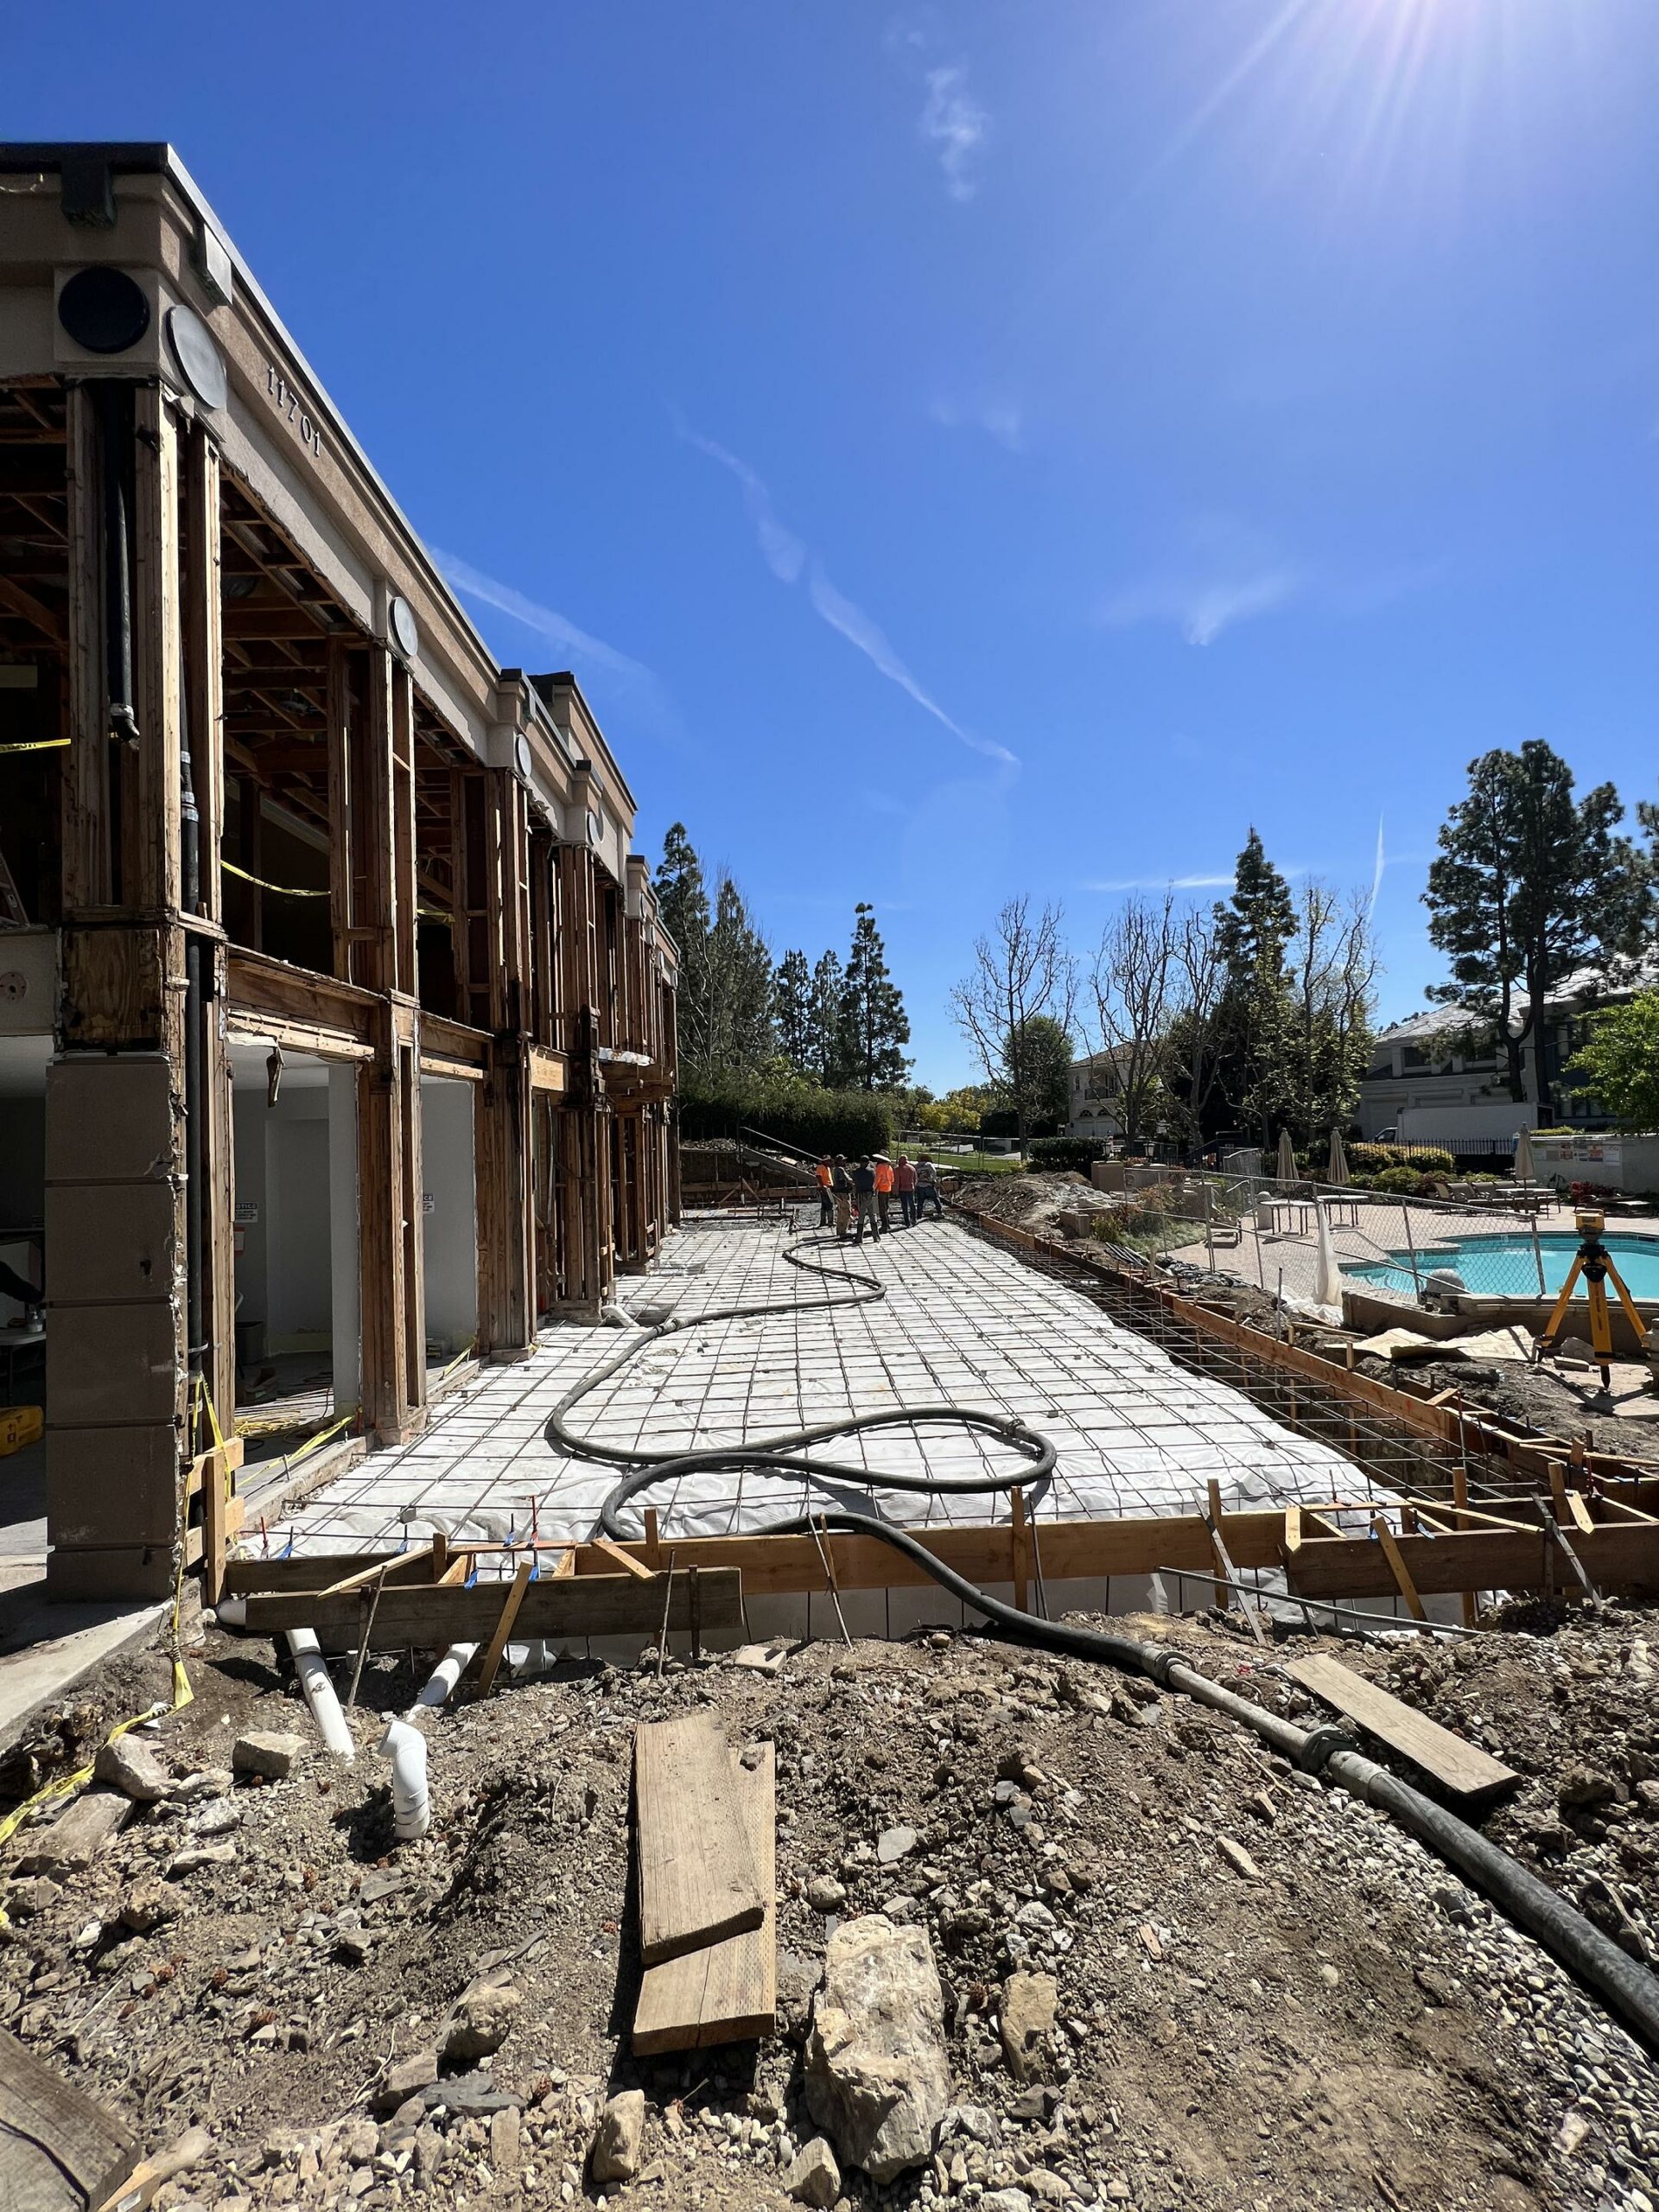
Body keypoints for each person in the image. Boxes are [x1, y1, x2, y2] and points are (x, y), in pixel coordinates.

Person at [850, 1154, 880, 1243]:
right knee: (873, 1215)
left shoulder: (855, 1172)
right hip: (872, 1195)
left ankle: (859, 1237)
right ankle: (876, 1237)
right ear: (868, 1162)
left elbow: (854, 1182)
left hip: (861, 1195)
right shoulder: (872, 1171)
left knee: (861, 1216)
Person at [830, 1154, 854, 1239]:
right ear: (839, 1161)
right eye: (843, 1160)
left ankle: (839, 1230)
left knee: (840, 1212)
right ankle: (843, 1231)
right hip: (843, 1193)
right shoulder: (840, 1169)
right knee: (846, 1211)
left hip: (838, 1193)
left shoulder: (834, 1169)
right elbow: (848, 1179)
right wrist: (854, 1181)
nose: (845, 1162)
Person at [916, 1154, 943, 1220]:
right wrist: (932, 1180)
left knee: (920, 1201)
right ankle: (939, 1213)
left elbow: (914, 1175)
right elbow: (934, 1173)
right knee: (935, 1199)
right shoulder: (929, 1165)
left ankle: (919, 1216)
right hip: (929, 1185)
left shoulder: (917, 1166)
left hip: (920, 1185)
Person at [893, 1152, 918, 1228]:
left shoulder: (898, 1169)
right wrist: (914, 1187)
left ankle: (907, 1222)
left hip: (902, 1189)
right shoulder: (912, 1168)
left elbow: (897, 1182)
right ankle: (914, 1219)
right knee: (912, 1204)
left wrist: (895, 1191)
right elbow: (915, 1179)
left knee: (905, 1206)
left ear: (900, 1160)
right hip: (911, 1188)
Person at [874, 1153, 894, 1232]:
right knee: (886, 1207)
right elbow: (892, 1180)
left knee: (882, 1208)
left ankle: (884, 1225)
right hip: (888, 1189)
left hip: (881, 1189)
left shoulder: (880, 1167)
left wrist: (874, 1188)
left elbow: (877, 1178)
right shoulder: (890, 1167)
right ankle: (887, 1224)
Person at [816, 1153, 834, 1229]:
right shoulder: (821, 1167)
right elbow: (818, 1176)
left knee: (824, 1205)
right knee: (829, 1204)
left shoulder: (828, 1168)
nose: (829, 1162)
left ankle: (823, 1222)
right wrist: (823, 1186)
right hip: (824, 1188)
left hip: (828, 1187)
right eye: (827, 1161)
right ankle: (830, 1222)